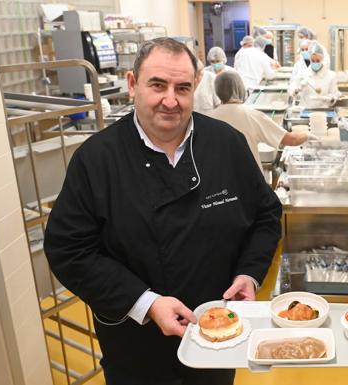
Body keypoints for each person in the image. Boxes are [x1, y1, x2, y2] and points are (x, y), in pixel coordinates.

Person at [44, 37, 282, 385]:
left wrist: (249, 274)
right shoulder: (97, 159)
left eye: (182, 88)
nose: (170, 100)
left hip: (213, 336)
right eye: (158, 85)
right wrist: (146, 303)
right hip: (135, 344)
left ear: (195, 88)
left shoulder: (225, 143)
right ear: (132, 84)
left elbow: (265, 215)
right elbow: (68, 250)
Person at [209, 71, 314, 174]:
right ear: (241, 88)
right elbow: (291, 140)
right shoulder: (250, 115)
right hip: (247, 181)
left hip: (218, 183)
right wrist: (307, 134)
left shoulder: (208, 118)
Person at [288, 42, 340, 108]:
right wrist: (297, 89)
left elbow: (335, 94)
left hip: (323, 110)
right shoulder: (303, 73)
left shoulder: (331, 75)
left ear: (322, 59)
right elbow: (291, 88)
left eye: (318, 60)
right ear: (310, 59)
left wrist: (331, 98)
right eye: (313, 60)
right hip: (305, 110)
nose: (315, 63)